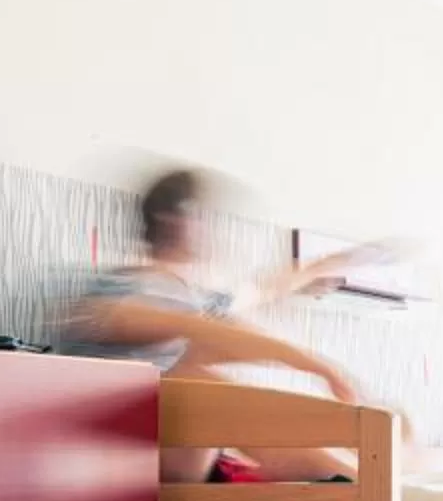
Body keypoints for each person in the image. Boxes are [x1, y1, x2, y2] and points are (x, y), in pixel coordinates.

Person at [53, 167, 386, 482]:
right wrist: (319, 368)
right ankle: (354, 479)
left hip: (185, 458)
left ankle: (352, 475)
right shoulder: (124, 289)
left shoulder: (196, 298)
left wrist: (320, 269)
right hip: (110, 452)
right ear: (173, 219)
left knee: (212, 352)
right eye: (204, 217)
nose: (214, 231)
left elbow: (259, 293)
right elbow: (193, 327)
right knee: (194, 367)